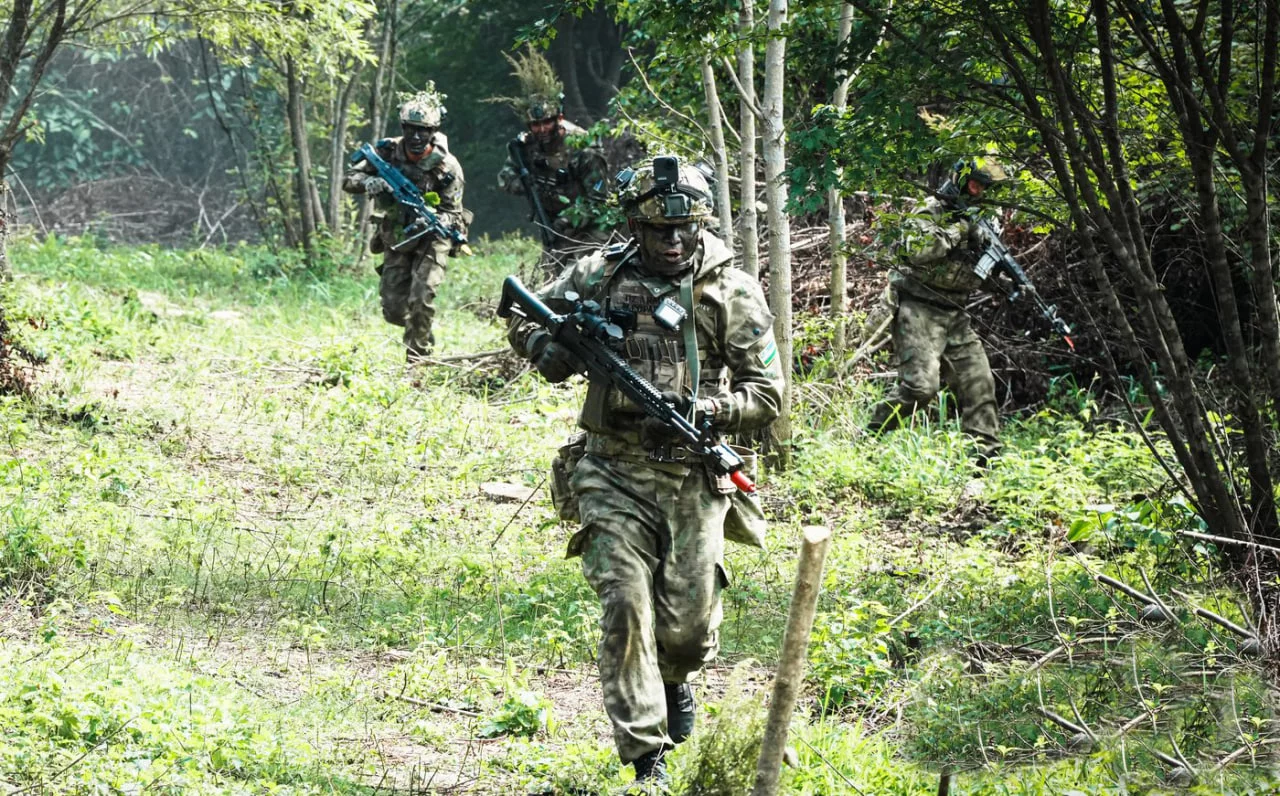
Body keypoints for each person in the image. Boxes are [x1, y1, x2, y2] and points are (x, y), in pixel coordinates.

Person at [507, 157, 783, 786]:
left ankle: (677, 679)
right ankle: (645, 757)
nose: (674, 242)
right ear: (636, 225)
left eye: (685, 230)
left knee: (684, 629)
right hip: (612, 469)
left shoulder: (730, 291)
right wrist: (549, 347)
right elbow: (523, 315)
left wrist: (708, 409)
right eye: (659, 231)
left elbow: (767, 395)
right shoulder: (598, 276)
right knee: (626, 608)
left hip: (693, 474)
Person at [867, 159, 1007, 466]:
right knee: (920, 389)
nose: (979, 192)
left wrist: (1008, 281)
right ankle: (869, 433)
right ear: (961, 181)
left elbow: (982, 272)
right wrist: (960, 230)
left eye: (985, 188)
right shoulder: (931, 210)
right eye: (974, 185)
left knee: (979, 383)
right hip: (919, 308)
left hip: (956, 313)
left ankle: (984, 460)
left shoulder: (986, 221)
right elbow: (917, 251)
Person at [344, 84, 469, 362]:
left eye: (423, 130)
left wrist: (434, 217)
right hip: (398, 235)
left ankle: (418, 363)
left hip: (433, 238)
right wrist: (369, 181)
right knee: (393, 308)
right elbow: (348, 179)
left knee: (421, 298)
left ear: (433, 131)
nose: (416, 136)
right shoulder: (386, 153)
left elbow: (454, 212)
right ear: (402, 127)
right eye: (410, 128)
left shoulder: (448, 166)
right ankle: (421, 331)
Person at [493, 49, 613, 276]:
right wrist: (527, 185)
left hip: (590, 230)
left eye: (547, 123)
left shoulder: (582, 147)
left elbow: (599, 200)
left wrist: (568, 219)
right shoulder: (526, 146)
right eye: (535, 125)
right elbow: (504, 178)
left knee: (586, 280)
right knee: (552, 285)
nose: (541, 130)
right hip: (553, 227)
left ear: (558, 118)